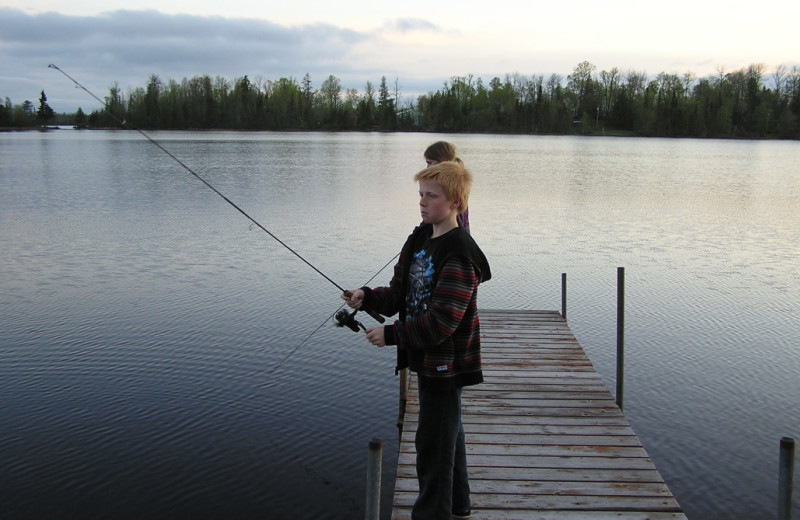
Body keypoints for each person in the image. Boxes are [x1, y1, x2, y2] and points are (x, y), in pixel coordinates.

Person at [342, 161, 491, 519]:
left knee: (432, 445)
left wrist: (392, 335)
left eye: (431, 196)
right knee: (447, 434)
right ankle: (459, 502)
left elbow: (442, 323)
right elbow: (399, 292)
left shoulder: (458, 254)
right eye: (421, 194)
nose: (422, 202)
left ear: (455, 202)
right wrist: (368, 296)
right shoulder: (420, 238)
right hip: (427, 359)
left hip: (446, 362)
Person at [423, 141, 470, 234]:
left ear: (442, 162)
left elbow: (456, 224)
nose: (427, 168)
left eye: (429, 163)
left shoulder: (451, 188)